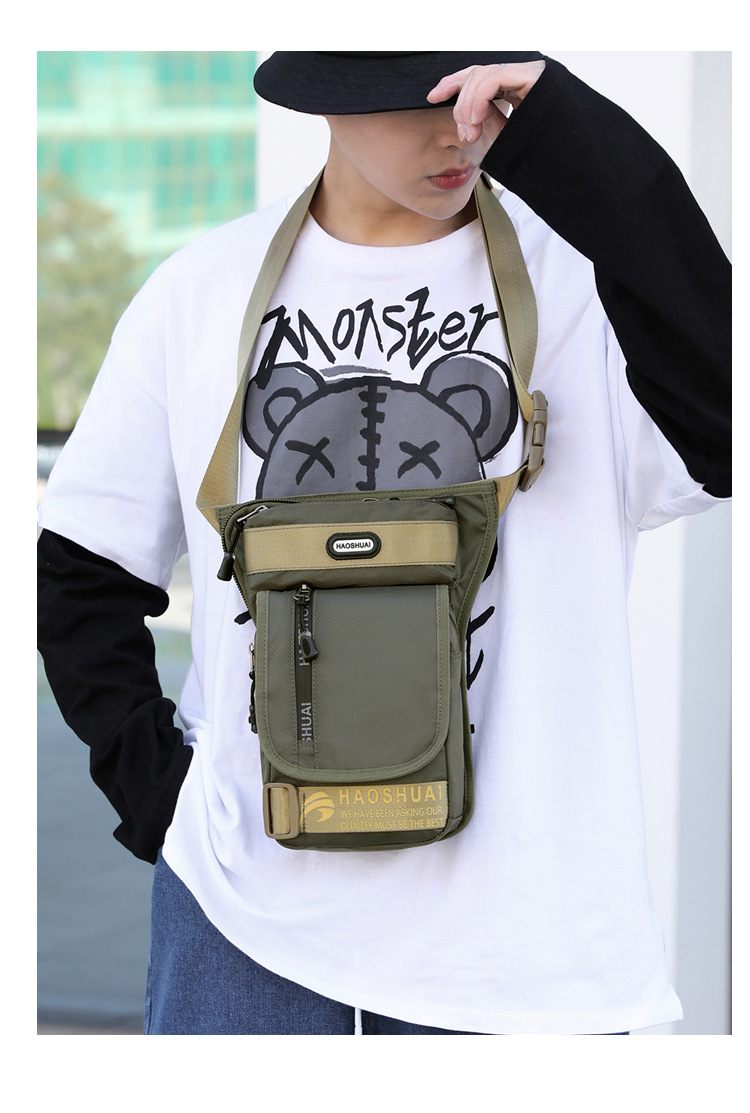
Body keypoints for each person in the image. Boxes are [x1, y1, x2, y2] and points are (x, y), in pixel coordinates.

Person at [37, 52, 730, 1035]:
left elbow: (725, 419)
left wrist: (570, 131)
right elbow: (81, 568)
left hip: (528, 952)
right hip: (243, 926)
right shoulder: (199, 291)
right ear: (328, 91)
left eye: (481, 97)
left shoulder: (588, 288)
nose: (459, 130)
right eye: (416, 100)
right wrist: (158, 792)